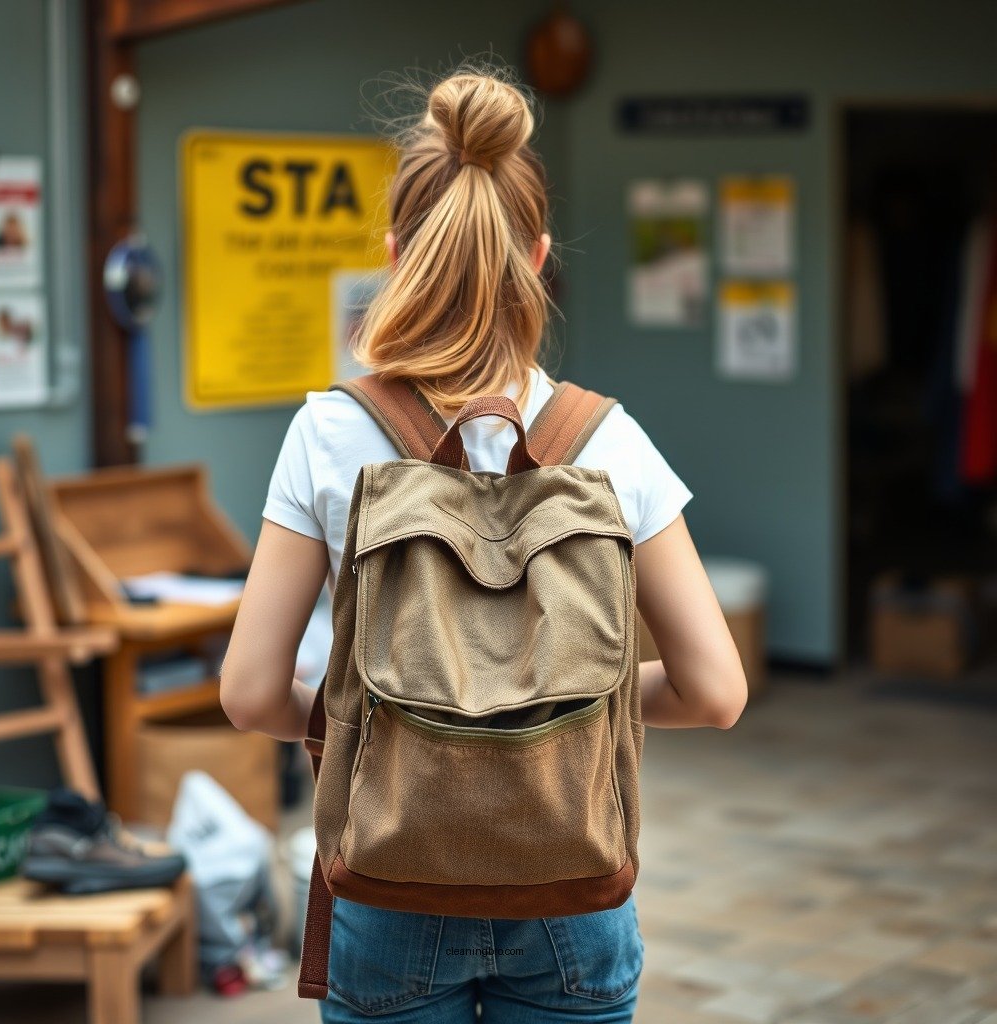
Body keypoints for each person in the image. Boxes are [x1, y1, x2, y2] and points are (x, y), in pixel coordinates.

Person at [220, 66, 748, 1023]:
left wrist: (375, 720)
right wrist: (565, 707)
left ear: (394, 253)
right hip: (572, 890)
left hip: (386, 888)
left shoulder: (329, 435)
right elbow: (717, 691)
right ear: (540, 257)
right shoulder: (609, 443)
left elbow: (250, 691)